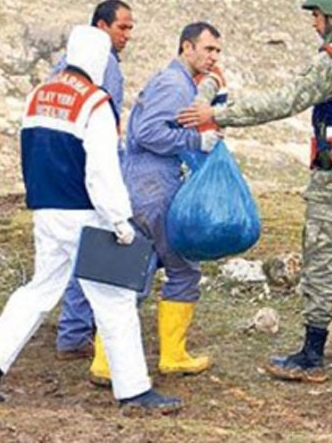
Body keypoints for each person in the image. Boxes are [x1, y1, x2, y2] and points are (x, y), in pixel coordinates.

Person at [177, 0, 332, 381]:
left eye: (316, 15)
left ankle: (312, 353)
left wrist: (218, 115)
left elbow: (286, 100)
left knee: (321, 263)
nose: (313, 23)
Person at [0, 25, 180, 414]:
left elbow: (29, 153)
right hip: (87, 215)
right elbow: (101, 171)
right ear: (98, 60)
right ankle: (134, 392)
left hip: (47, 211)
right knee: (115, 301)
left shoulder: (37, 96)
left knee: (38, 291)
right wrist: (121, 221)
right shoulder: (95, 103)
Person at [87, 22, 222, 388]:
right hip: (155, 189)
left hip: (139, 187)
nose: (213, 57)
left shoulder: (176, 82)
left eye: (217, 52)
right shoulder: (172, 84)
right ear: (186, 47)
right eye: (207, 49)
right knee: (182, 269)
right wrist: (197, 140)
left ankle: (104, 361)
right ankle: (172, 356)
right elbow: (147, 133)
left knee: (126, 272)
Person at [54, 0, 135, 360]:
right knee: (94, 248)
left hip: (58, 174)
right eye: (122, 27)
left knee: (61, 257)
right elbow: (107, 129)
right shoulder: (105, 69)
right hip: (87, 174)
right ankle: (77, 333)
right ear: (101, 27)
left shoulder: (62, 69)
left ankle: (72, 330)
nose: (127, 35)